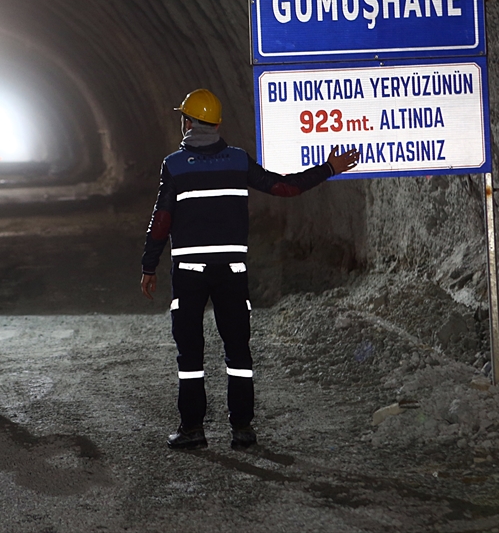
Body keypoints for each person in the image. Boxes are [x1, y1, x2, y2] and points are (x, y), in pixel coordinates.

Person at [141, 89, 359, 450]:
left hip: (190, 270)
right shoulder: (238, 161)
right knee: (238, 351)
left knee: (190, 353)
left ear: (188, 122)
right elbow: (285, 187)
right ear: (217, 124)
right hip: (231, 270)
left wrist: (149, 265)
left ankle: (192, 429)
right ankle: (242, 430)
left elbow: (161, 220)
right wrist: (328, 169)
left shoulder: (174, 165)